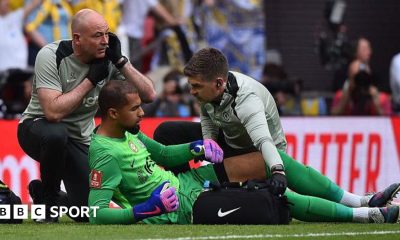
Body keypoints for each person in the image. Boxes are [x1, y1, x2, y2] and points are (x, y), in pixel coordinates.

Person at [88, 80, 400, 224]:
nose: (143, 113)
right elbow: (95, 213)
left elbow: (165, 156)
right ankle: (365, 216)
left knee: (268, 163)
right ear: (113, 113)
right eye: (135, 109)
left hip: (190, 184)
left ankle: (358, 199)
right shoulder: (104, 153)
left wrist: (197, 147)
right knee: (272, 197)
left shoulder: (130, 131)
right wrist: (147, 209)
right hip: (184, 209)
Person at [153, 48, 400, 212]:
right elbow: (207, 117)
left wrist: (278, 171)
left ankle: (360, 206)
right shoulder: (208, 91)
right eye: (191, 86)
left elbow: (264, 141)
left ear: (218, 83)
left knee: (278, 199)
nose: (192, 91)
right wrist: (208, 142)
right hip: (230, 144)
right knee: (166, 131)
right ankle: (189, 193)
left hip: (261, 151)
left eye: (196, 86)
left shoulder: (246, 99)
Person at [17, 9, 156, 223]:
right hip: (37, 130)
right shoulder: (51, 55)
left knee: (85, 213)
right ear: (77, 39)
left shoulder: (109, 60)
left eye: (107, 34)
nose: (105, 41)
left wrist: (121, 61)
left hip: (80, 140)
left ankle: (43, 191)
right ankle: (48, 204)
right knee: (56, 134)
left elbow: (149, 94)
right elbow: (53, 112)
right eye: (97, 35)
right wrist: (90, 81)